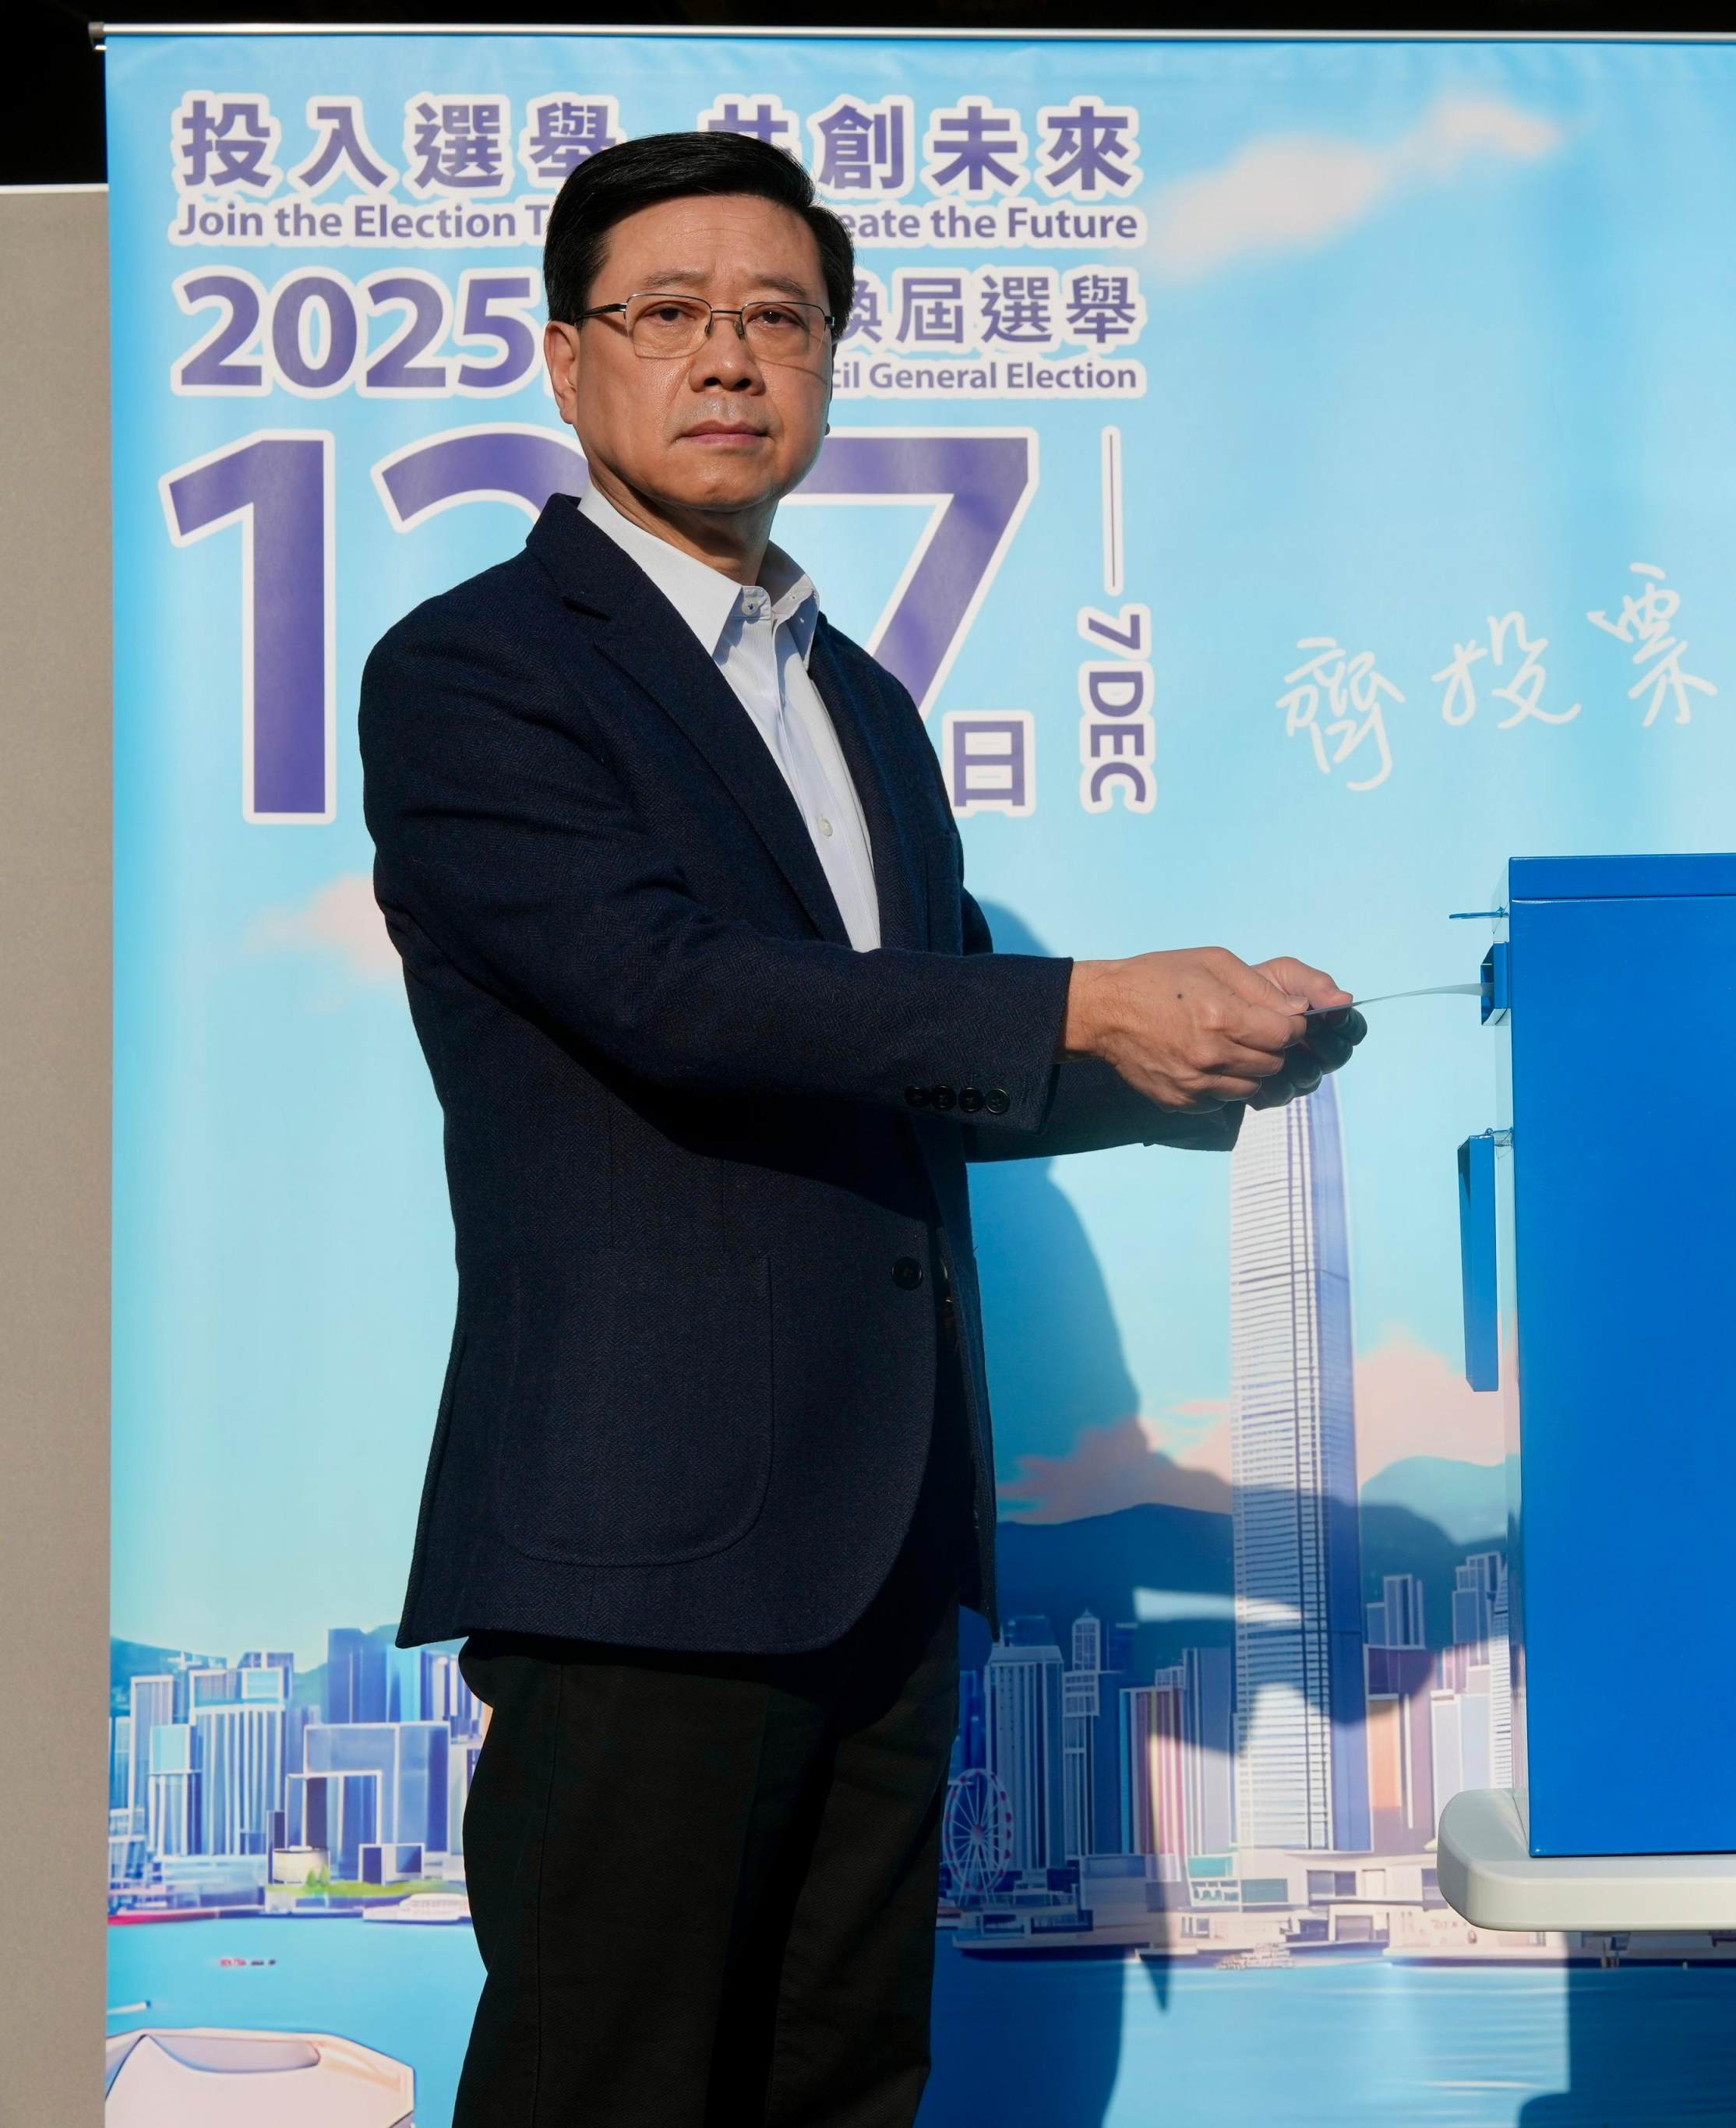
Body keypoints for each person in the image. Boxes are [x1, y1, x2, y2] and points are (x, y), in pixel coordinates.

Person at [356, 129, 1360, 2128]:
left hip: (885, 1539)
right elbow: (670, 991)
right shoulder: (475, 673)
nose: (726, 358)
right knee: (607, 2085)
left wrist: (1187, 1068)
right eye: (667, 315)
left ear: (829, 363)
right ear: (568, 365)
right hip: (643, 1550)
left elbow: (892, 1057)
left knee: (843, 2084)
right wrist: (1082, 997)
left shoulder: (864, 708)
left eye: (777, 319)